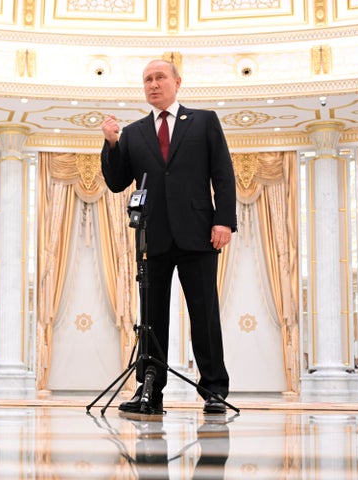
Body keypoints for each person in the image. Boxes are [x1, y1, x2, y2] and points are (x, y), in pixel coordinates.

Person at [100, 59, 236, 414]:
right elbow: (117, 183)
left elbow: (222, 173)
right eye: (147, 79)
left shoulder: (204, 121)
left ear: (178, 82)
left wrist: (224, 222)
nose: (153, 84)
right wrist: (112, 144)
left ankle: (214, 391)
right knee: (152, 319)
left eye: (160, 78)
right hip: (153, 238)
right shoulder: (132, 132)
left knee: (204, 315)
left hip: (199, 235)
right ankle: (150, 391)